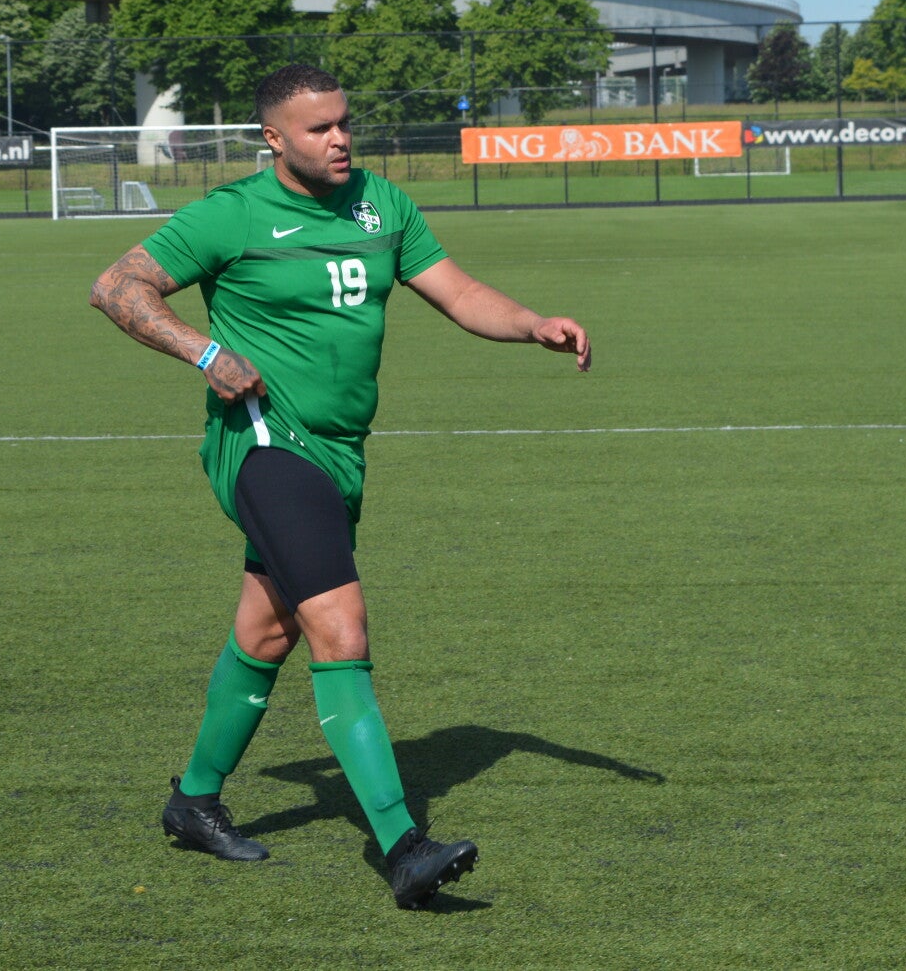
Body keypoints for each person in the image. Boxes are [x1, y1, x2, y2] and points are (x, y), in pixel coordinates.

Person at [88, 63, 590, 910]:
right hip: (264, 444)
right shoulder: (232, 213)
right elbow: (115, 287)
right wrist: (205, 351)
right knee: (340, 627)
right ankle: (403, 847)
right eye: (318, 128)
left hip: (340, 453)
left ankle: (193, 802)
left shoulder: (381, 204)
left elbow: (457, 291)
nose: (339, 138)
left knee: (268, 630)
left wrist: (531, 324)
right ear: (272, 139)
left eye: (344, 122)